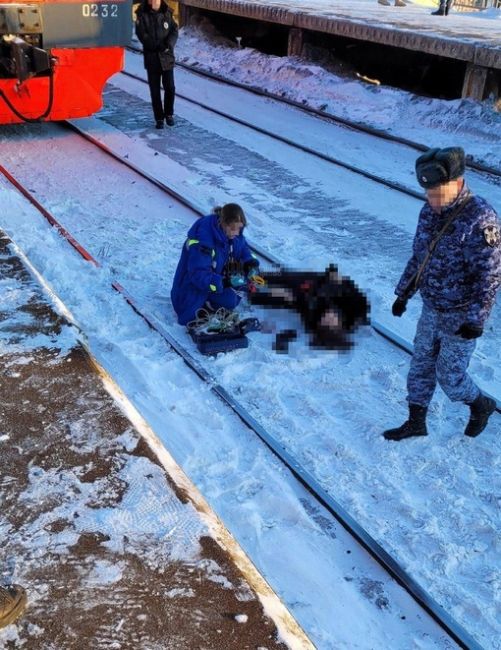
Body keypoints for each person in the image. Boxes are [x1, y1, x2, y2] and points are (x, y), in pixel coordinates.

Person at [383, 147, 501, 441]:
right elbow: (419, 257)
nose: (431, 199)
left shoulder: (480, 218)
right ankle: (415, 422)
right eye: (428, 193)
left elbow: (489, 276)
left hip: (461, 315)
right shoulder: (429, 211)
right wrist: (404, 293)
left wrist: (476, 319)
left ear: (458, 183)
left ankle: (480, 404)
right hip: (432, 307)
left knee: (450, 376)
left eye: (437, 192)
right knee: (421, 363)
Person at [171, 203, 259, 326]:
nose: (237, 233)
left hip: (214, 277)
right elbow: (198, 276)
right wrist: (224, 282)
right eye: (234, 228)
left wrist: (250, 262)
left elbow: (243, 247)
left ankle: (216, 300)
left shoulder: (231, 233)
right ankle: (206, 307)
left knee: (243, 282)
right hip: (190, 290)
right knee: (230, 300)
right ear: (223, 223)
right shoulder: (203, 241)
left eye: (240, 228)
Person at [249, 265, 370, 352]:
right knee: (279, 278)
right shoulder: (355, 314)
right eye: (331, 321)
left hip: (309, 292)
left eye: (324, 321)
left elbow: (302, 306)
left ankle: (248, 289)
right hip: (324, 283)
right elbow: (361, 300)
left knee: (263, 298)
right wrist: (342, 280)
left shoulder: (313, 321)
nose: (327, 316)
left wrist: (290, 296)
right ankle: (259, 276)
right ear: (339, 327)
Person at [135, 0, 178, 129]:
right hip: (152, 58)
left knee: (170, 87)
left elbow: (174, 31)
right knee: (155, 91)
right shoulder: (142, 14)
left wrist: (167, 45)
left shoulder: (168, 12)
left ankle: (169, 114)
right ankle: (159, 118)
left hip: (166, 57)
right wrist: (154, 45)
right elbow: (141, 34)